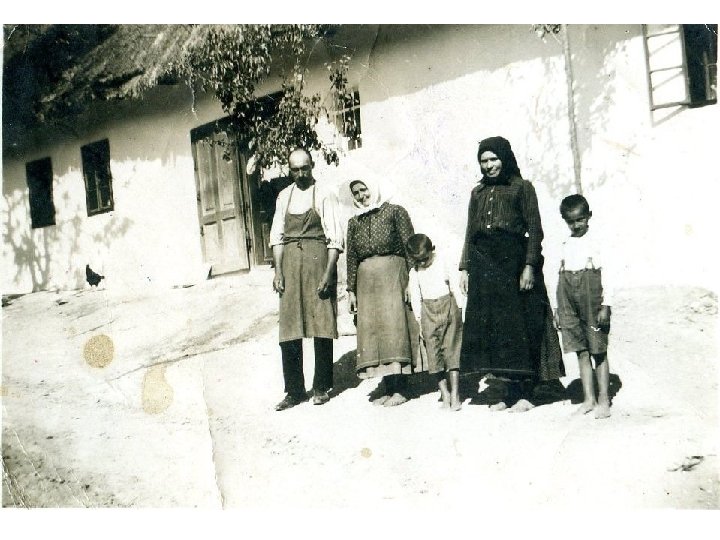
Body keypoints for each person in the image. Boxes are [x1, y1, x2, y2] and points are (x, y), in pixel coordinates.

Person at [459, 136, 564, 412]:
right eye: (484, 161)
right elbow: (470, 232)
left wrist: (529, 266)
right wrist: (465, 267)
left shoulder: (522, 188)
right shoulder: (477, 193)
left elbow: (535, 229)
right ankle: (507, 391)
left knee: (521, 327)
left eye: (494, 159)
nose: (489, 165)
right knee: (497, 330)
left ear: (504, 158)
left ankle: (526, 393)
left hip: (514, 264)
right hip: (485, 268)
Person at [270, 148, 344, 411]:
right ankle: (294, 391)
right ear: (289, 170)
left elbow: (335, 239)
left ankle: (322, 386)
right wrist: (278, 272)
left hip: (317, 262)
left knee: (321, 323)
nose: (300, 174)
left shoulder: (324, 194)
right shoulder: (284, 196)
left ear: (312, 166)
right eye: (295, 169)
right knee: (290, 327)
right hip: (290, 265)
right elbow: (277, 237)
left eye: (305, 168)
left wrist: (328, 273)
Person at [346, 177, 419, 406]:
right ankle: (388, 387)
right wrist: (351, 290)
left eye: (364, 189)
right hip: (366, 285)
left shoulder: (395, 212)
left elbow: (410, 246)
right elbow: (351, 257)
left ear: (374, 187)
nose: (361, 196)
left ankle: (401, 389)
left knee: (394, 330)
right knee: (375, 333)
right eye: (356, 192)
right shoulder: (354, 221)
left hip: (393, 277)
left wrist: (412, 280)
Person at [554, 194, 613, 419]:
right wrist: (557, 309)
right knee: (580, 350)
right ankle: (589, 399)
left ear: (589, 216)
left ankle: (604, 399)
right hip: (568, 300)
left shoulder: (596, 242)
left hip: (592, 301)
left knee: (598, 349)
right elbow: (556, 276)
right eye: (570, 221)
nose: (576, 225)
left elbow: (609, 275)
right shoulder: (564, 245)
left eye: (580, 219)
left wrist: (606, 305)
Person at [406, 233, 464, 411]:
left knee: (452, 351)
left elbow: (454, 285)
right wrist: (419, 321)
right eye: (418, 261)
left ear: (432, 250)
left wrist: (460, 308)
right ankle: (444, 393)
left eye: (425, 258)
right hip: (428, 313)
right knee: (433, 354)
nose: (423, 263)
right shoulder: (415, 272)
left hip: (448, 308)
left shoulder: (443, 261)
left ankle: (455, 394)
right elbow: (416, 299)